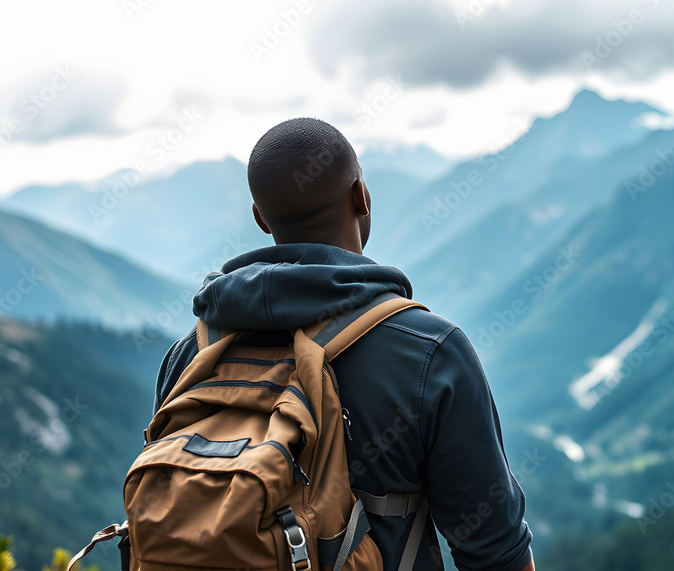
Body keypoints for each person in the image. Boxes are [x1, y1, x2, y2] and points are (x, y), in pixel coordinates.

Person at [153, 117, 535, 571]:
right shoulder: (430, 353)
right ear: (362, 195)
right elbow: (496, 553)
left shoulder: (191, 356)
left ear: (259, 218)